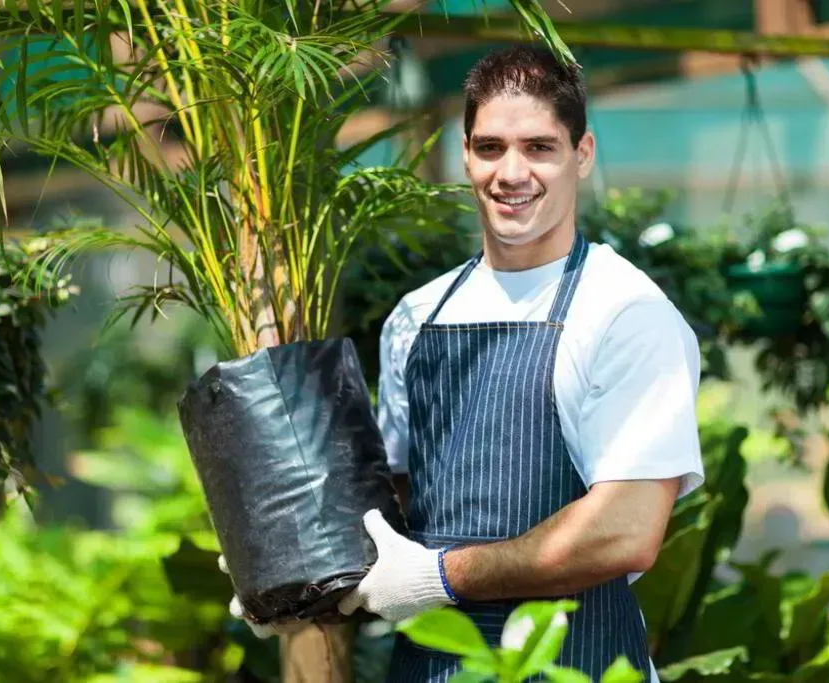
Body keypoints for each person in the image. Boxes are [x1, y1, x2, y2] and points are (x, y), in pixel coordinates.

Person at [220, 45, 704, 683]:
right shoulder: (417, 318)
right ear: (467, 152)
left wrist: (440, 576)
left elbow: (626, 528)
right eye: (490, 147)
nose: (511, 173)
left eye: (539, 147)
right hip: (432, 666)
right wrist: (293, 566)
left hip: (578, 664)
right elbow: (396, 504)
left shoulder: (624, 311)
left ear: (581, 154)